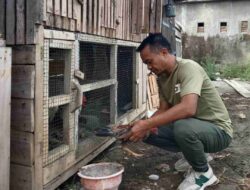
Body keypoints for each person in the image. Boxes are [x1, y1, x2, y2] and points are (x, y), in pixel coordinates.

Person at [120, 33, 233, 190]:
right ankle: (196, 156)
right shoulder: (162, 78)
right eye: (146, 64)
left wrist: (146, 123)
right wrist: (140, 127)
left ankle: (204, 174)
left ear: (164, 52)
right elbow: (163, 110)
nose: (149, 67)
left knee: (182, 126)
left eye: (149, 62)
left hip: (219, 131)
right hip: (196, 128)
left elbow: (188, 108)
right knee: (148, 132)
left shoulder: (188, 68)